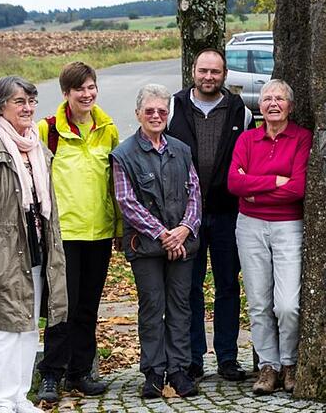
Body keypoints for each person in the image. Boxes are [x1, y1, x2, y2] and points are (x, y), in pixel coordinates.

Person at [0, 76, 68, 413]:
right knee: (5, 334)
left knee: (27, 328)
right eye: (20, 101)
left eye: (32, 101)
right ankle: (0, 403)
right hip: (1, 256)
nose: (28, 108)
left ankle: (20, 397)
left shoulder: (36, 147)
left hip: (37, 251)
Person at [166, 48, 255, 382]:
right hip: (184, 217)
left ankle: (228, 358)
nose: (208, 77)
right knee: (189, 288)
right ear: (193, 71)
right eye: (203, 71)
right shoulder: (174, 105)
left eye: (215, 72)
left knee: (228, 286)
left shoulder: (239, 112)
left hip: (225, 213)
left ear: (225, 75)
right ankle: (193, 359)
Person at [36, 61, 121, 402]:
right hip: (64, 235)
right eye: (79, 89)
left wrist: (118, 227)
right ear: (66, 94)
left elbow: (116, 184)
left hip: (98, 234)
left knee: (87, 307)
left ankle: (80, 373)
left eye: (91, 87)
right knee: (62, 308)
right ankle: (51, 375)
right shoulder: (48, 130)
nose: (87, 94)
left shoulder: (108, 129)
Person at [111, 84, 202, 398]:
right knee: (152, 308)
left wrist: (185, 229)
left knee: (181, 307)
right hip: (147, 247)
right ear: (138, 113)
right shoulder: (123, 154)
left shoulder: (181, 149)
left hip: (182, 245)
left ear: (169, 114)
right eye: (149, 110)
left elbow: (194, 195)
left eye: (162, 111)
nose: (156, 115)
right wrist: (164, 234)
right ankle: (152, 372)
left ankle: (178, 370)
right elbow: (127, 202)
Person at [228, 79, 312, 395]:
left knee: (287, 304)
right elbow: (234, 185)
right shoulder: (247, 140)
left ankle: (289, 362)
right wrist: (276, 181)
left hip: (289, 226)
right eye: (266, 99)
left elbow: (299, 188)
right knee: (259, 303)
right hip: (249, 226)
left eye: (279, 98)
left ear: (289, 105)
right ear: (259, 106)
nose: (272, 103)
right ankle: (268, 366)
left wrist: (255, 187)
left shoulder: (302, 138)